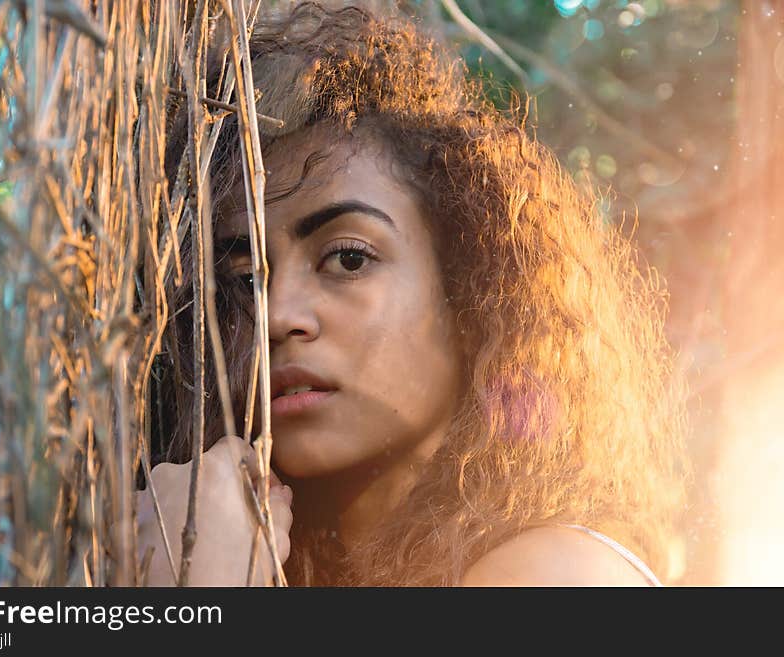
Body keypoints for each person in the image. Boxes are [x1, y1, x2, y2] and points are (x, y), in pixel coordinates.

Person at [137, 1, 689, 587]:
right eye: (245, 280)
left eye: (348, 258)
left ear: (470, 294)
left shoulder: (556, 573)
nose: (278, 316)